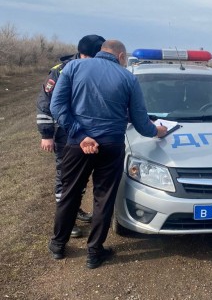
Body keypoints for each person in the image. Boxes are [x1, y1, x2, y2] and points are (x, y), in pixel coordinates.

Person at [48, 40, 167, 268]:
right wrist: (158, 131)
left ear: (101, 52)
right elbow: (142, 123)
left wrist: (81, 136)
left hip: (77, 144)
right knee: (103, 198)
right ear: (121, 56)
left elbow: (57, 107)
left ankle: (57, 246)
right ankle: (94, 253)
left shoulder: (73, 68)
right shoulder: (128, 78)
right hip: (111, 146)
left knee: (70, 193)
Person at [37, 34, 106, 237]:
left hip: (88, 135)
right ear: (87, 55)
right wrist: (46, 134)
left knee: (81, 177)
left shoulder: (97, 69)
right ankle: (67, 219)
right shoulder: (61, 71)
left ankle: (75, 210)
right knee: (65, 177)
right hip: (64, 134)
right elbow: (45, 104)